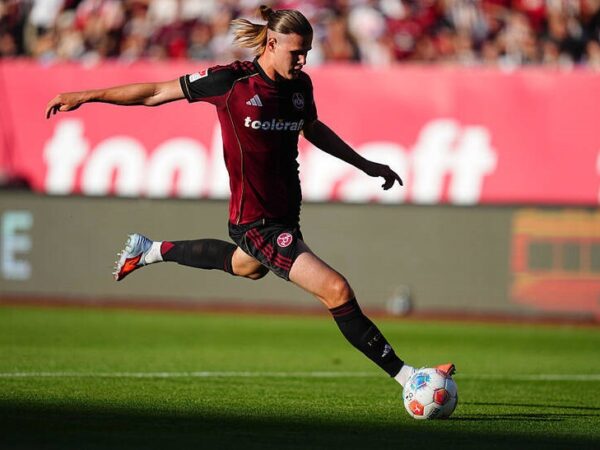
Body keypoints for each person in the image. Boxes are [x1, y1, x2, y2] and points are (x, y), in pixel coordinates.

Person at [45, 5, 454, 389]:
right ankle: (410, 379)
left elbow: (312, 128)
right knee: (337, 290)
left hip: (285, 215)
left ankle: (150, 250)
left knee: (248, 268)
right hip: (256, 222)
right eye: (297, 52)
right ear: (272, 44)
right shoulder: (231, 82)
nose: (303, 61)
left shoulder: (300, 86)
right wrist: (86, 95)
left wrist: (365, 164)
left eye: (307, 52)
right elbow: (153, 92)